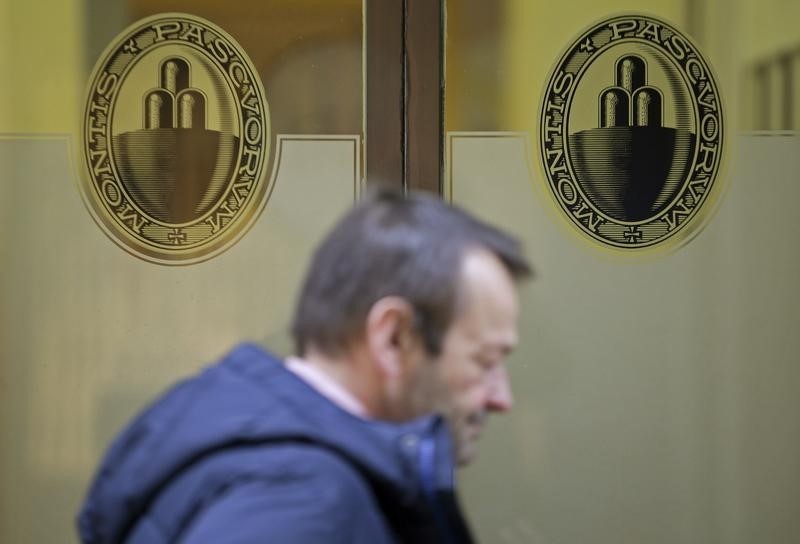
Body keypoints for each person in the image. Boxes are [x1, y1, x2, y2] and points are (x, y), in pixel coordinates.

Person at [77, 187, 533, 543]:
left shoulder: (277, 464)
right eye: (485, 361)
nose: (501, 399)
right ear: (394, 338)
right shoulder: (303, 502)